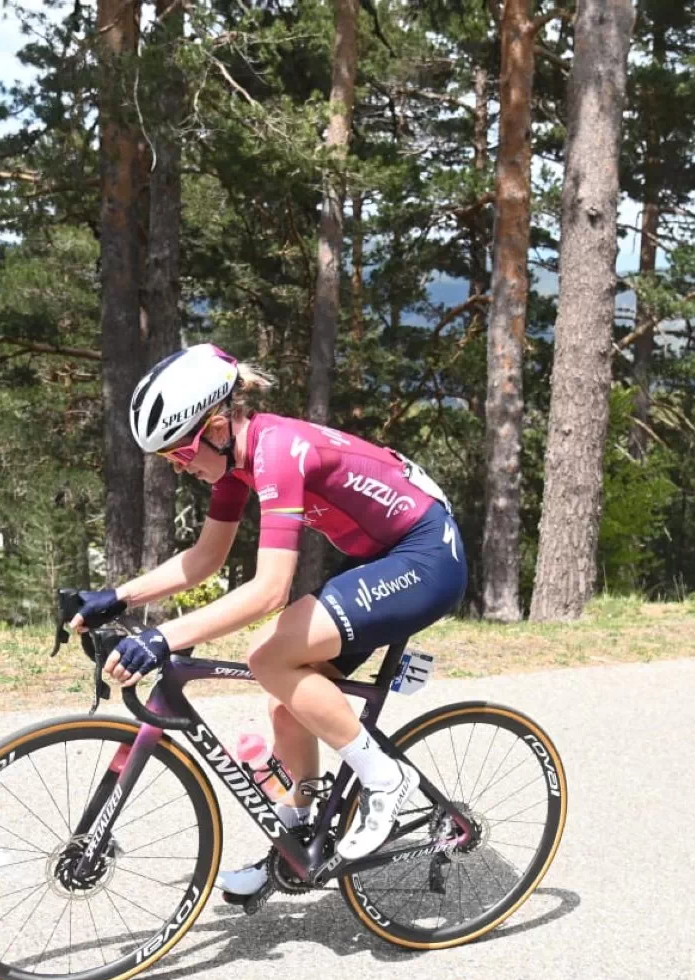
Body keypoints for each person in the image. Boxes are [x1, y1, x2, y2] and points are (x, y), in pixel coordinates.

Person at [69, 343, 467, 897]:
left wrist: (165, 637)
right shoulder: (236, 464)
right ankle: (299, 845)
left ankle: (385, 778)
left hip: (425, 558)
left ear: (215, 426)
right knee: (288, 707)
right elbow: (205, 560)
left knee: (268, 657)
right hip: (382, 559)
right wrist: (118, 596)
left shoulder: (279, 450)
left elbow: (269, 590)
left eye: (180, 454)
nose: (181, 468)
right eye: (168, 462)